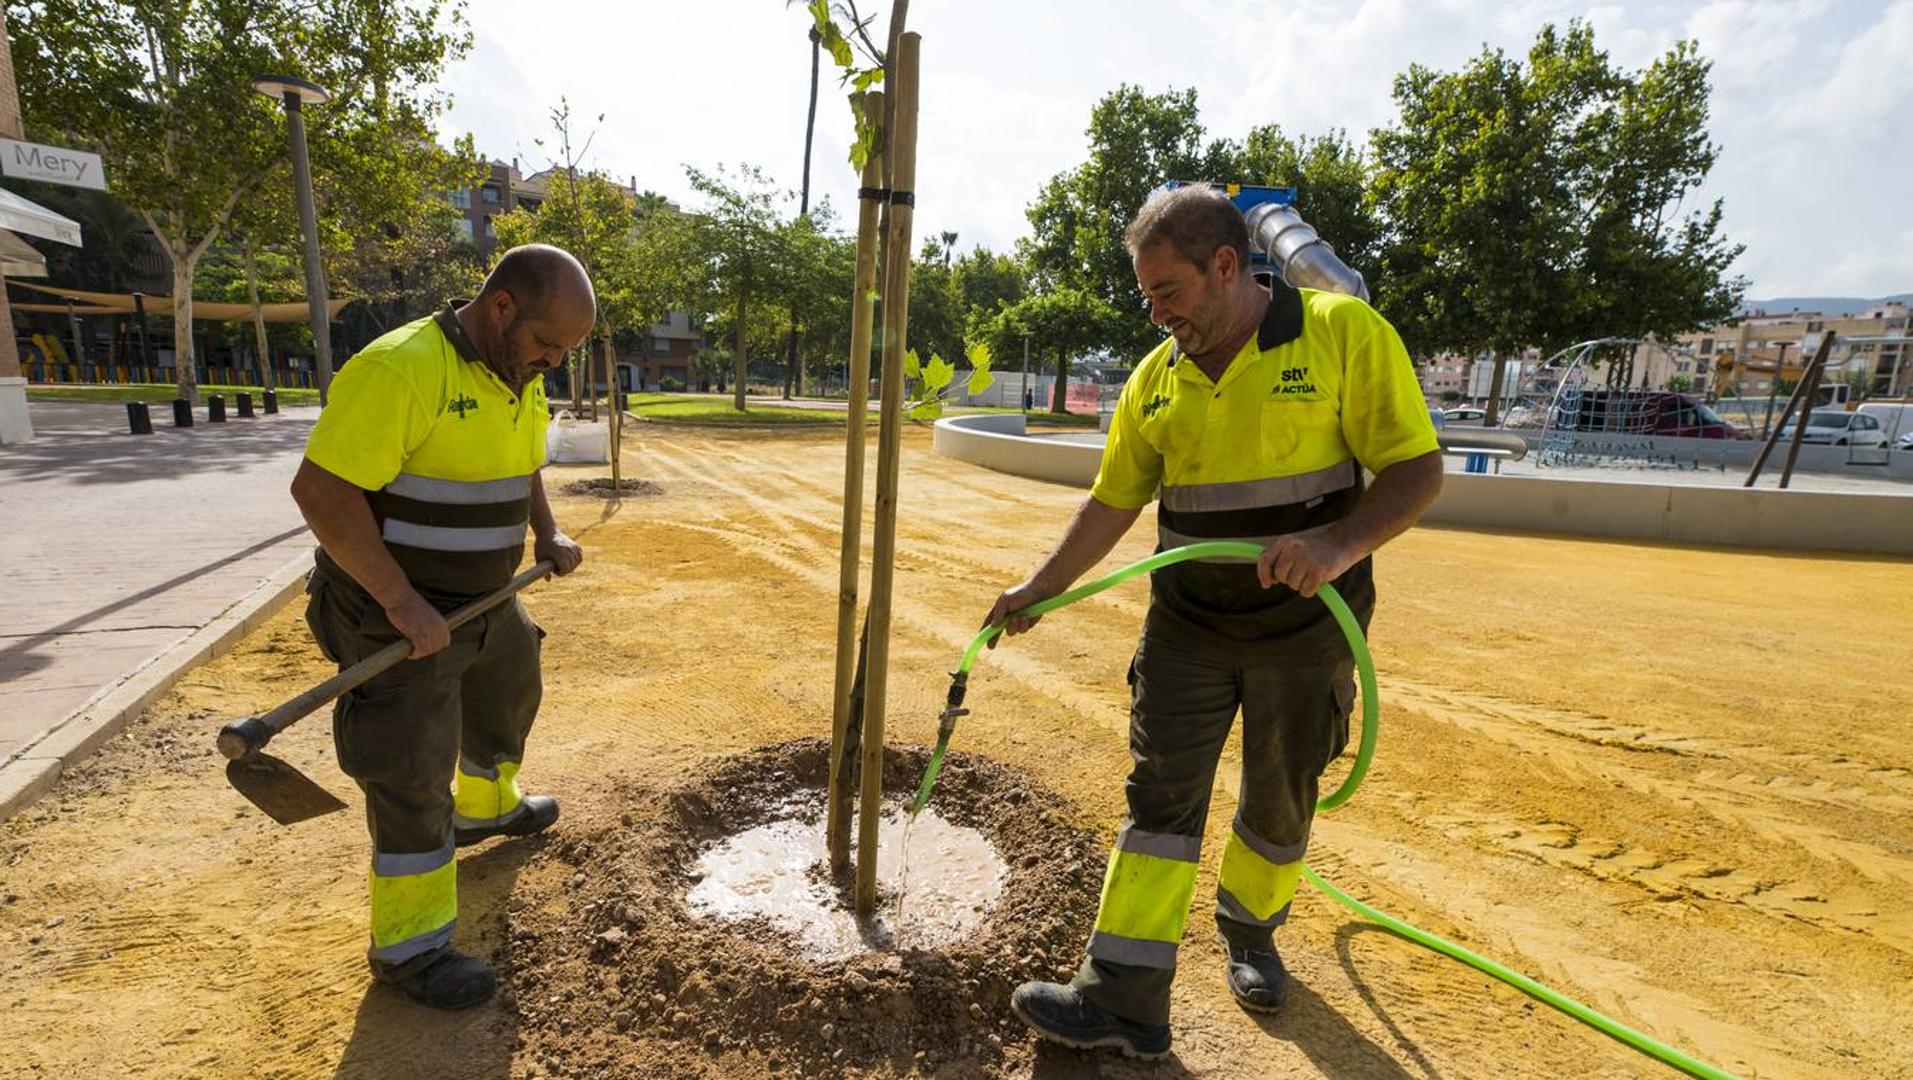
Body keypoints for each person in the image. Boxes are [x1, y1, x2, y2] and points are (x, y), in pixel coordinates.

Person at [985, 186, 1442, 1058]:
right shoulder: (1155, 379)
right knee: (1158, 798)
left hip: (1307, 627)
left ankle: (1250, 932)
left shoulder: (1343, 334)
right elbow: (1111, 501)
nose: (1155, 313)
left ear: (1225, 266)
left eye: (1167, 291)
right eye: (1146, 296)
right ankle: (1123, 995)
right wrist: (1037, 586)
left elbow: (1416, 470)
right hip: (1187, 626)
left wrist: (1337, 544)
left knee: (1279, 794)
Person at [289, 244, 594, 1010]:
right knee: (410, 766)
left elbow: (521, 464)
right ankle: (411, 948)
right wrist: (400, 603)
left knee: (510, 687)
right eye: (545, 344)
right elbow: (321, 492)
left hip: (485, 601)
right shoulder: (401, 368)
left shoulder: (511, 372)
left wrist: (545, 535)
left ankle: (486, 809)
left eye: (564, 351)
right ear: (500, 308)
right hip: (396, 611)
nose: (552, 363)